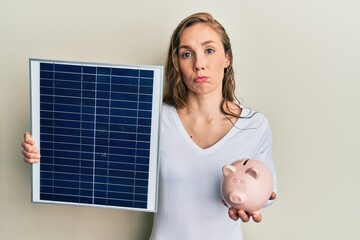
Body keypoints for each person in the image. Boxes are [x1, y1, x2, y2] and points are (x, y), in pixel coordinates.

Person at [22, 12, 277, 240]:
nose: (199, 63)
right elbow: (96, 152)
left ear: (227, 58)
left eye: (209, 50)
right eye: (187, 54)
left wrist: (254, 204)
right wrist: (46, 151)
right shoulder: (155, 117)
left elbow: (269, 188)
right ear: (178, 63)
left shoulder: (254, 126)